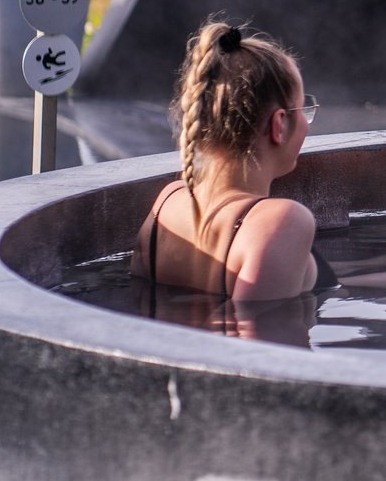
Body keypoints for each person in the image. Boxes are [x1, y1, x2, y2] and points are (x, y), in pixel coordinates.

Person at [130, 20, 336, 301]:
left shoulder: (167, 202)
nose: (307, 124)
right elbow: (259, 337)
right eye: (303, 110)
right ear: (279, 124)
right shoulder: (281, 222)